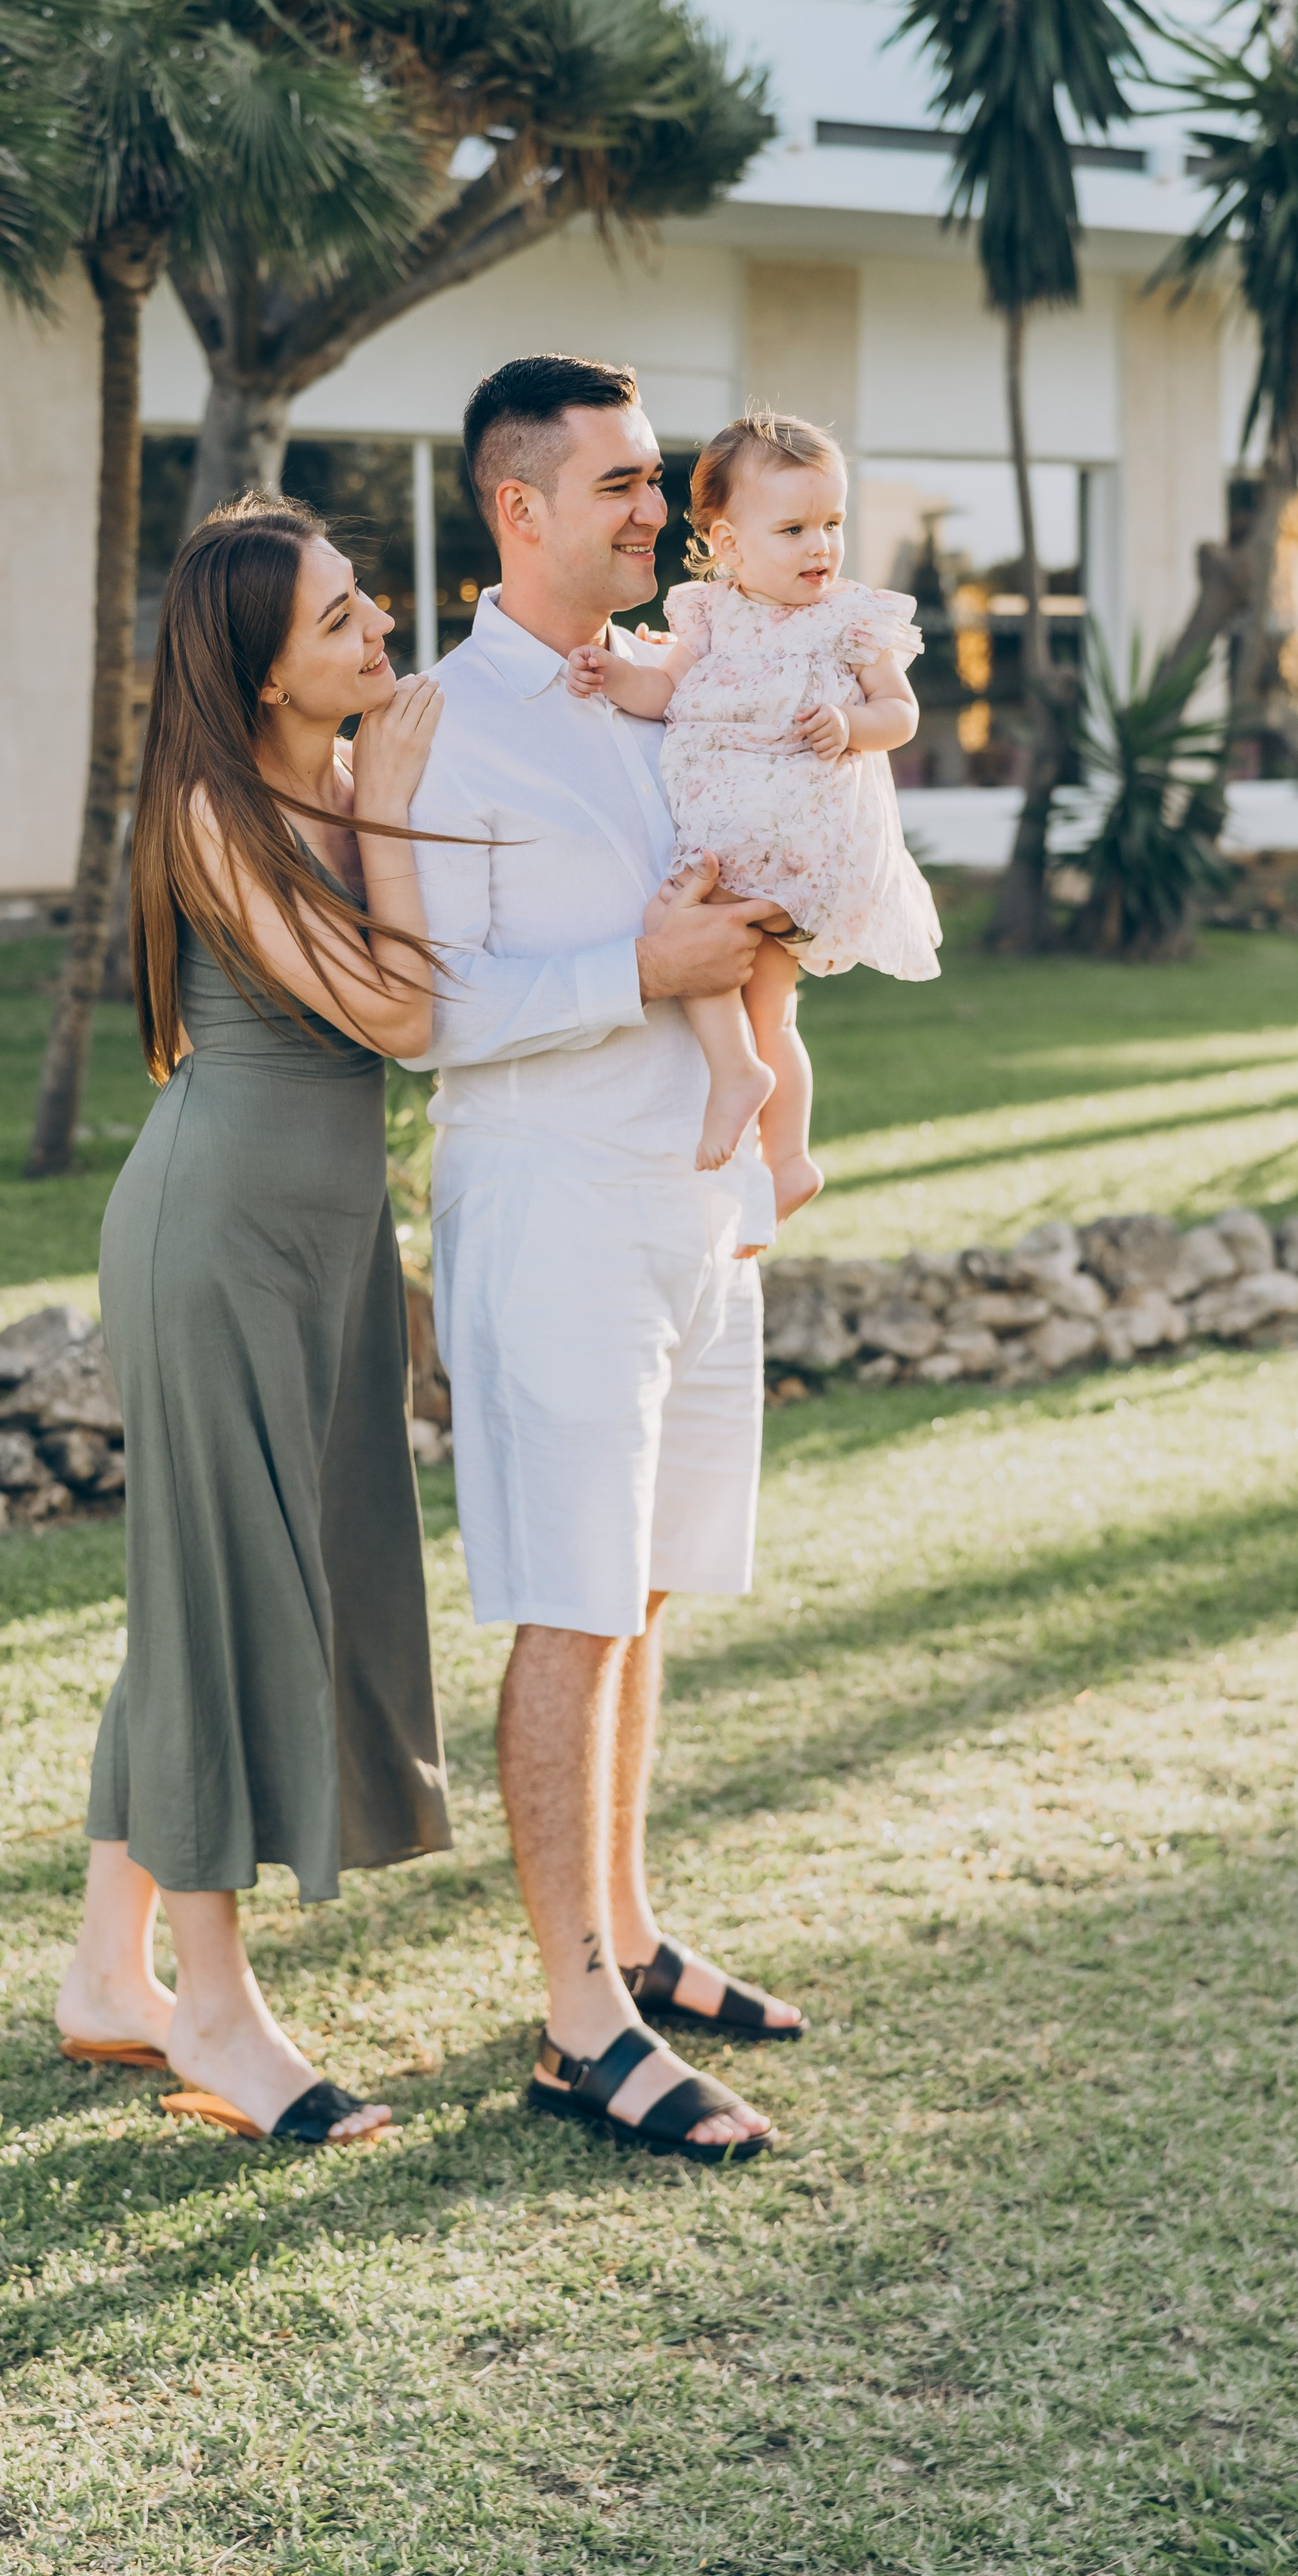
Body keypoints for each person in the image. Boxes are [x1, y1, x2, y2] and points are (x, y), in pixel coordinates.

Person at [405, 354, 802, 2167]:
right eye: (625, 484)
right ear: (520, 508)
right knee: (568, 1599)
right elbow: (421, 1010)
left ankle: (630, 1936)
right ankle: (578, 2026)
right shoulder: (433, 725)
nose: (663, 508)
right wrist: (637, 971)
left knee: (641, 1587)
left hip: (694, 1204)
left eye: (659, 478)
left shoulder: (685, 684)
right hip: (549, 1205)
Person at [54, 495, 451, 2148]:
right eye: (339, 620)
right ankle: (214, 2010)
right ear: (263, 673)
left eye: (366, 600)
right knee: (216, 1596)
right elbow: (405, 1012)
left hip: (323, 1238)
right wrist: (398, 809)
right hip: (214, 1238)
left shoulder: (343, 777)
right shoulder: (220, 814)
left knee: (197, 1591)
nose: (379, 630)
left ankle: (106, 1975)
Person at [567, 410, 941, 1215]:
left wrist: (852, 726)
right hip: (732, 847)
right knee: (768, 1001)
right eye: (795, 529)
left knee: (677, 922)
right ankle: (789, 1159)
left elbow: (901, 714)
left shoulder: (850, 617)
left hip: (797, 844)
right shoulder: (710, 615)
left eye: (832, 523)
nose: (820, 546)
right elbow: (662, 692)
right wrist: (612, 676)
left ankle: (738, 1076)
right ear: (729, 544)